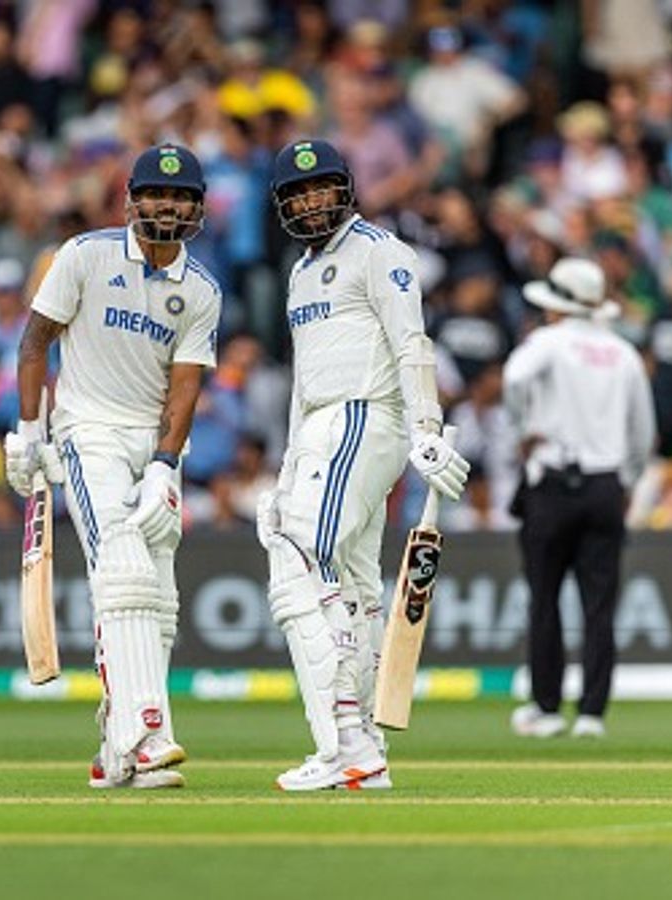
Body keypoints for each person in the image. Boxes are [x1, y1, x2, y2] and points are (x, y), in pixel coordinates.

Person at [5, 144, 222, 790]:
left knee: (157, 593)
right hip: (86, 432)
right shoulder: (85, 256)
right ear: (132, 199)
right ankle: (148, 731)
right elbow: (35, 341)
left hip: (152, 446)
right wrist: (27, 430)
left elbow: (184, 390)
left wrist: (164, 463)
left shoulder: (201, 290)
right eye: (158, 193)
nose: (168, 205)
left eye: (181, 197)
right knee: (123, 570)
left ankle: (114, 746)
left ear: (197, 209)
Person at [255, 138, 468, 791]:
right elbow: (304, 376)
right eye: (299, 193)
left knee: (296, 559)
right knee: (347, 584)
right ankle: (363, 749)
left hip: (362, 415)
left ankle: (344, 737)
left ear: (345, 188)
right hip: (321, 428)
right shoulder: (298, 272)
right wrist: (291, 459)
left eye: (321, 187)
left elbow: (412, 341)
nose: (311, 200)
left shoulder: (379, 252)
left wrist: (426, 426)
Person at [504, 258, 655, 739]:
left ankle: (546, 709)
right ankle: (592, 714)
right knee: (599, 605)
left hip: (553, 481)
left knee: (543, 598)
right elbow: (642, 432)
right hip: (606, 485)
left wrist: (523, 428)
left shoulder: (549, 342)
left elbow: (513, 380)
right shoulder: (623, 353)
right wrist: (626, 479)